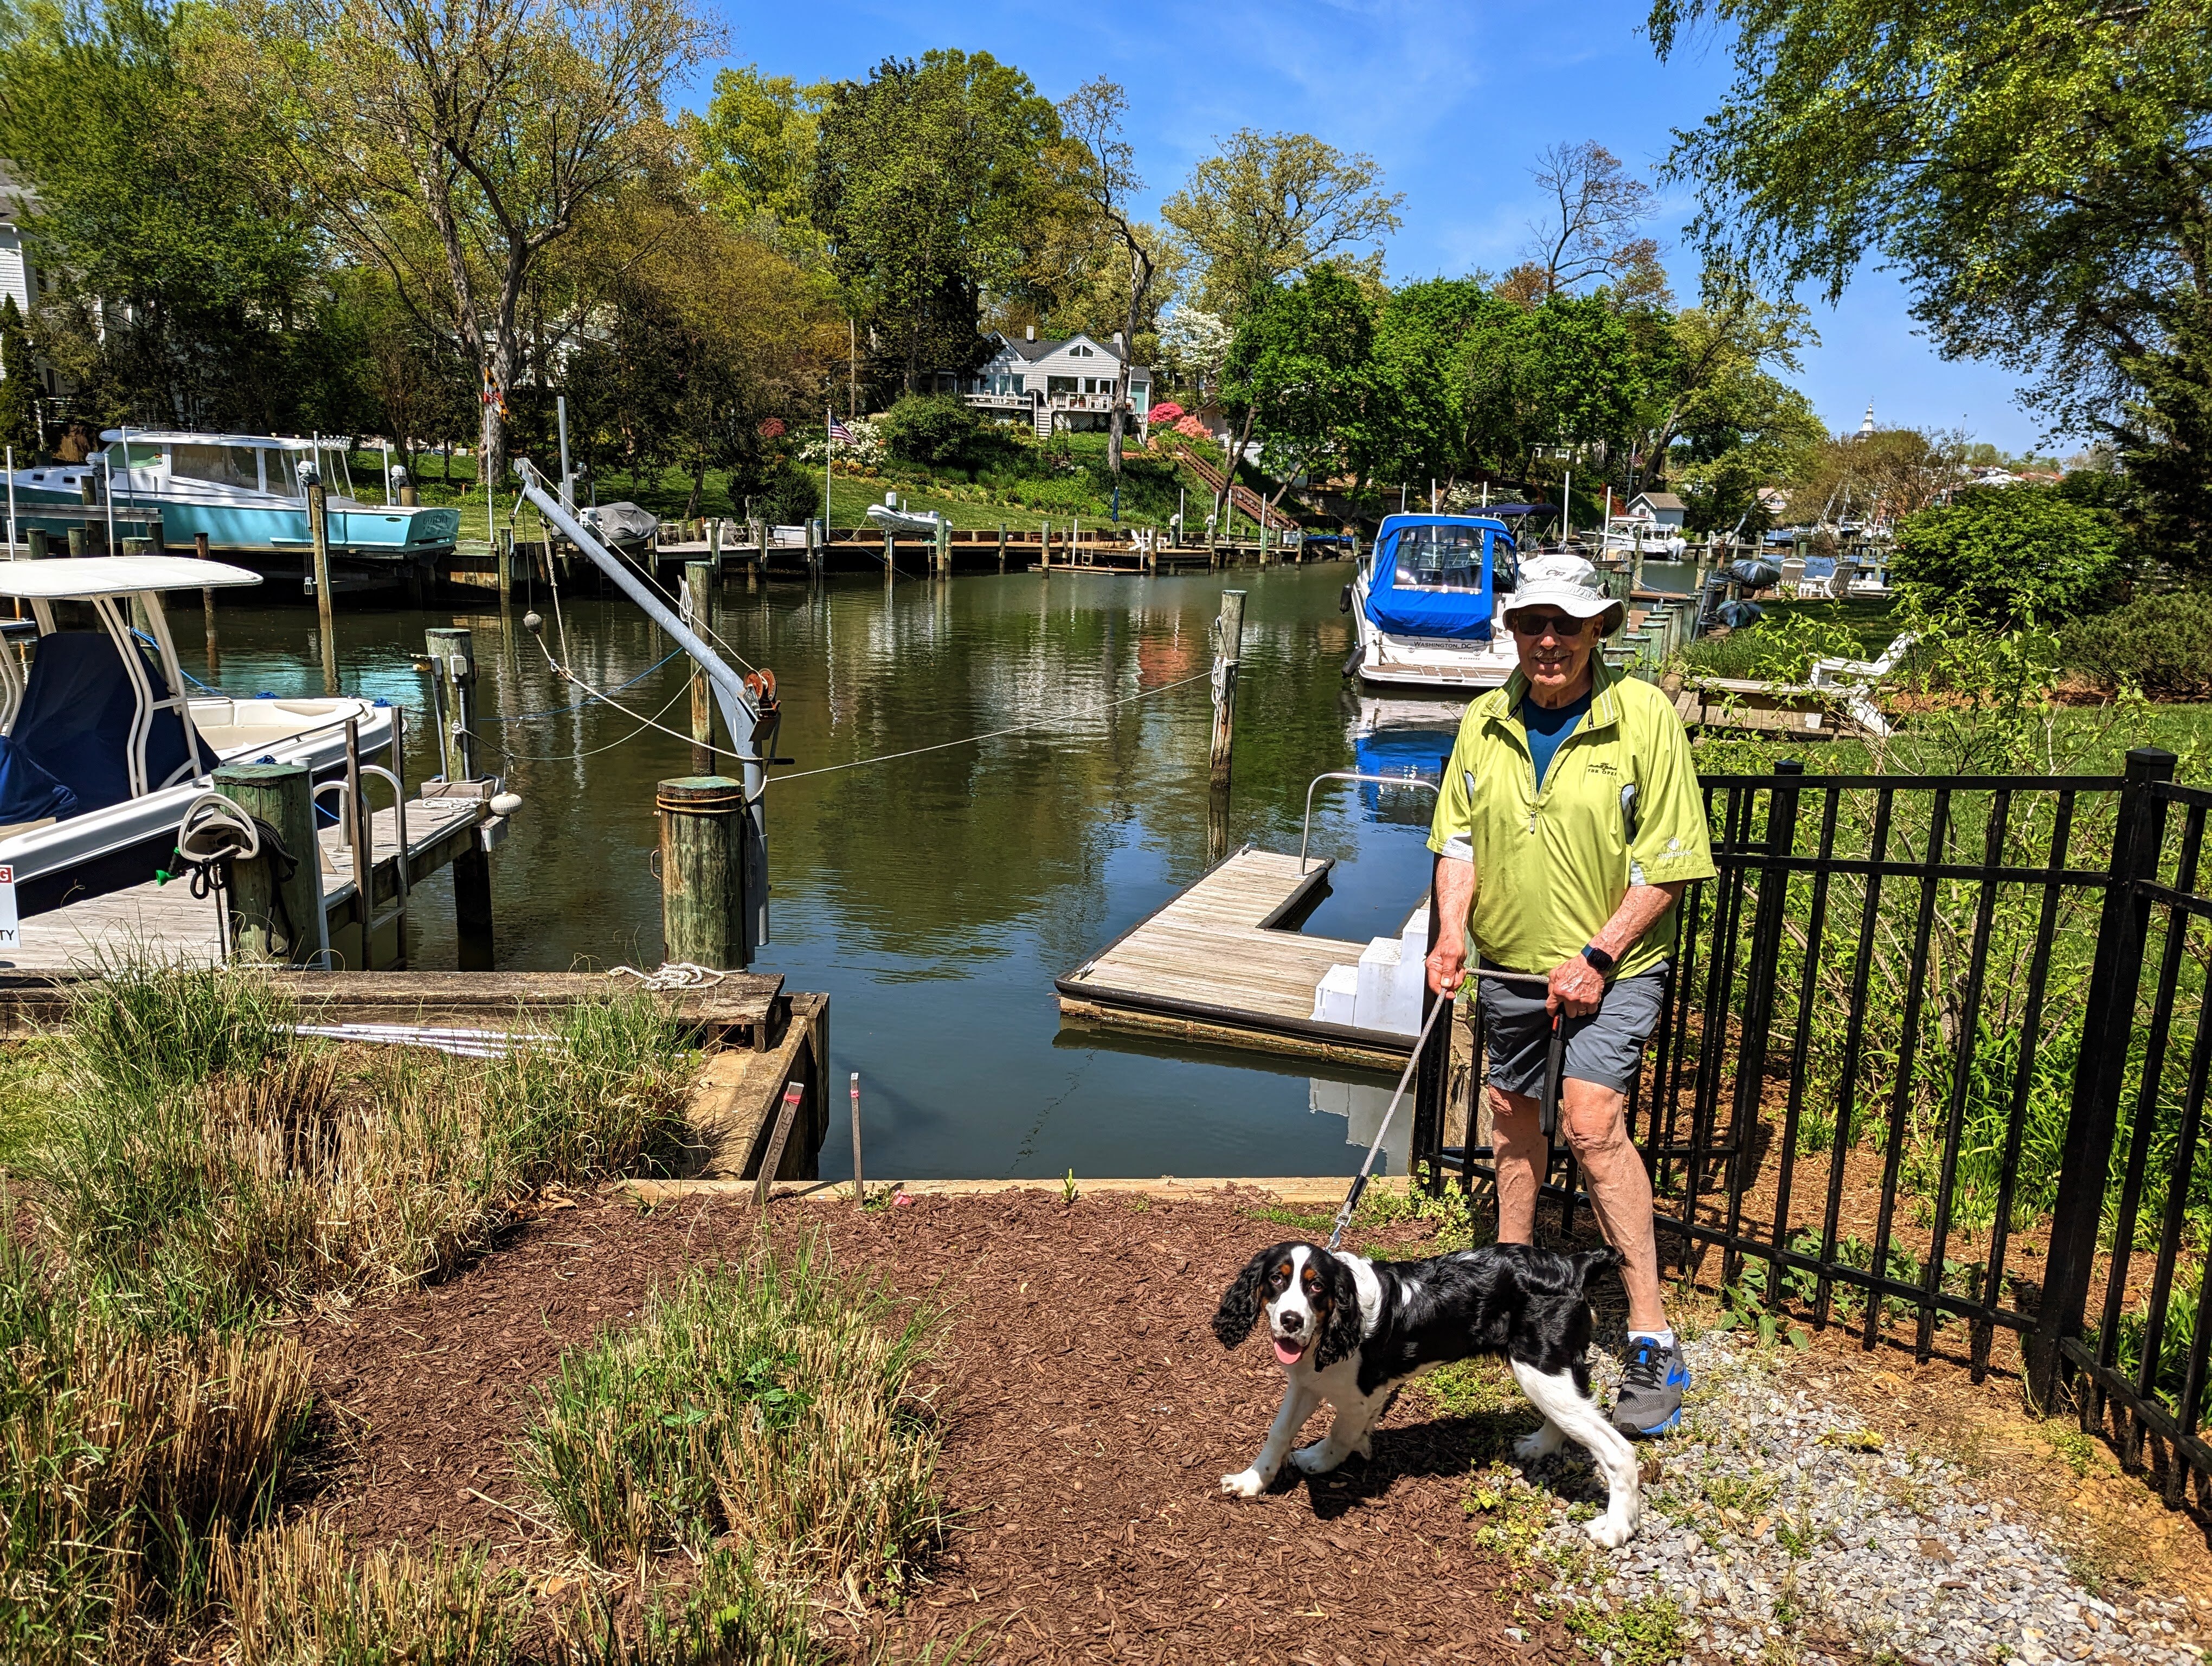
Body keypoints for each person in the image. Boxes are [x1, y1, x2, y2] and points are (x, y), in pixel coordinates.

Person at [1422, 565, 1715, 1436]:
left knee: (1590, 1124)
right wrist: (1449, 937)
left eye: (1567, 625)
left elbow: (1671, 862)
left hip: (1614, 968)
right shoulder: (1486, 719)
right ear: (1514, 629)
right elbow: (1459, 842)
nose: (1547, 641)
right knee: (1513, 1116)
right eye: (1532, 624)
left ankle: (1653, 1336)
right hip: (1509, 968)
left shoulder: (1645, 718)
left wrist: (1598, 952)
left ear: (1601, 629)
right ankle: (1512, 1290)